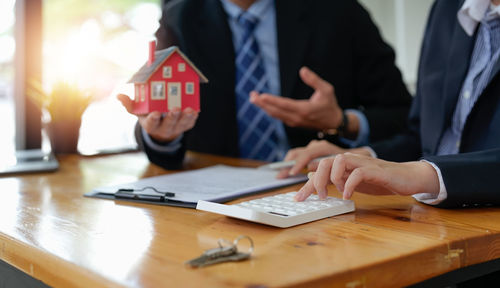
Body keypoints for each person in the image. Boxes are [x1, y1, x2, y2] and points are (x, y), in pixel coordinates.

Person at [118, 0, 412, 169]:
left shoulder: (338, 11)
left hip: (318, 185)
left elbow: (406, 116)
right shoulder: (181, 16)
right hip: (218, 200)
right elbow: (152, 122)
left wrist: (343, 121)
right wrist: (163, 135)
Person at [292, 0, 500, 210]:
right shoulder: (448, 7)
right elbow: (422, 137)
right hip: (428, 212)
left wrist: (424, 175)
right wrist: (367, 157)